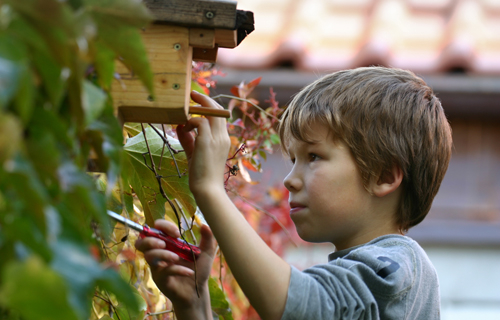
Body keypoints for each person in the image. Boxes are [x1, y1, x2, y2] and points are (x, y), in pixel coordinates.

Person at [135, 67, 453, 320]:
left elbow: (307, 308)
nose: (290, 180)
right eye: (293, 160)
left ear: (384, 176)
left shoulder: (401, 267)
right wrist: (194, 303)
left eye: (314, 157)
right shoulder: (358, 281)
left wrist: (210, 190)